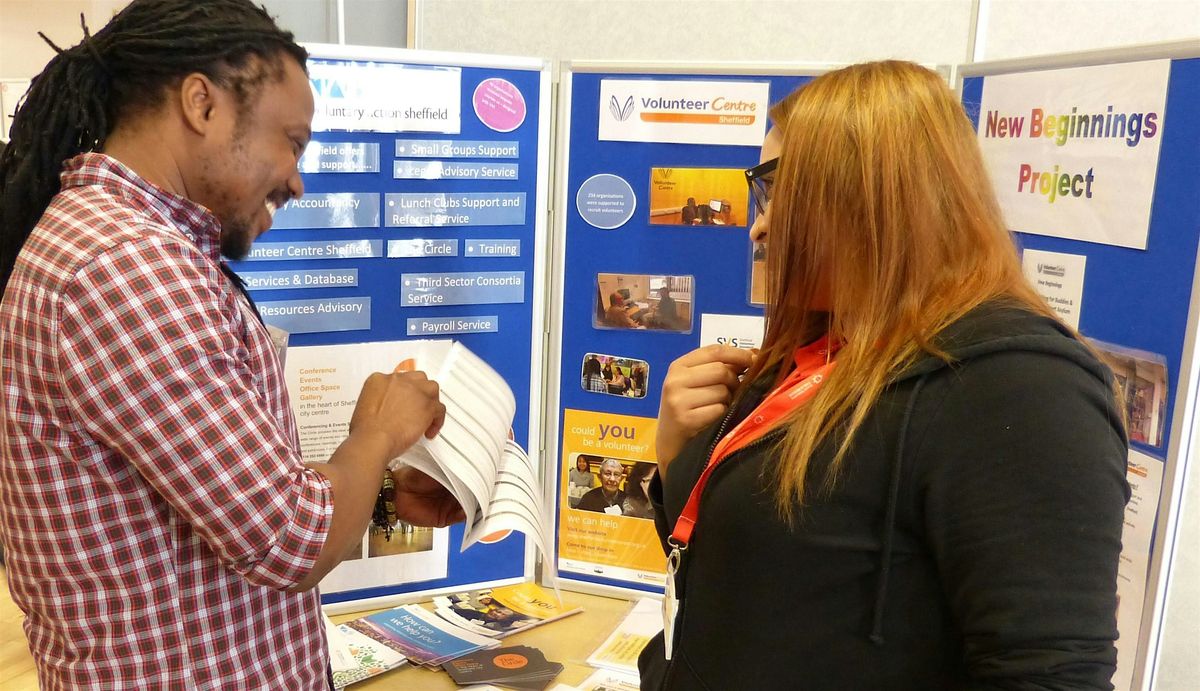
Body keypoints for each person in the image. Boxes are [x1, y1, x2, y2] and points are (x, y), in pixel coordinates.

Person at [0, 2, 463, 688]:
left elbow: (210, 506)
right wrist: (378, 431)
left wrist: (381, 487)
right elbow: (289, 539)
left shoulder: (135, 249)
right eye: (292, 141)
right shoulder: (127, 266)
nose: (297, 180)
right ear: (202, 104)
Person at [640, 61, 1129, 689]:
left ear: (867, 191)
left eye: (775, 188)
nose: (758, 224)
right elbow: (742, 564)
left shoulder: (1020, 388)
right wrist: (677, 455)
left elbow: (1050, 674)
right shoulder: (820, 345)